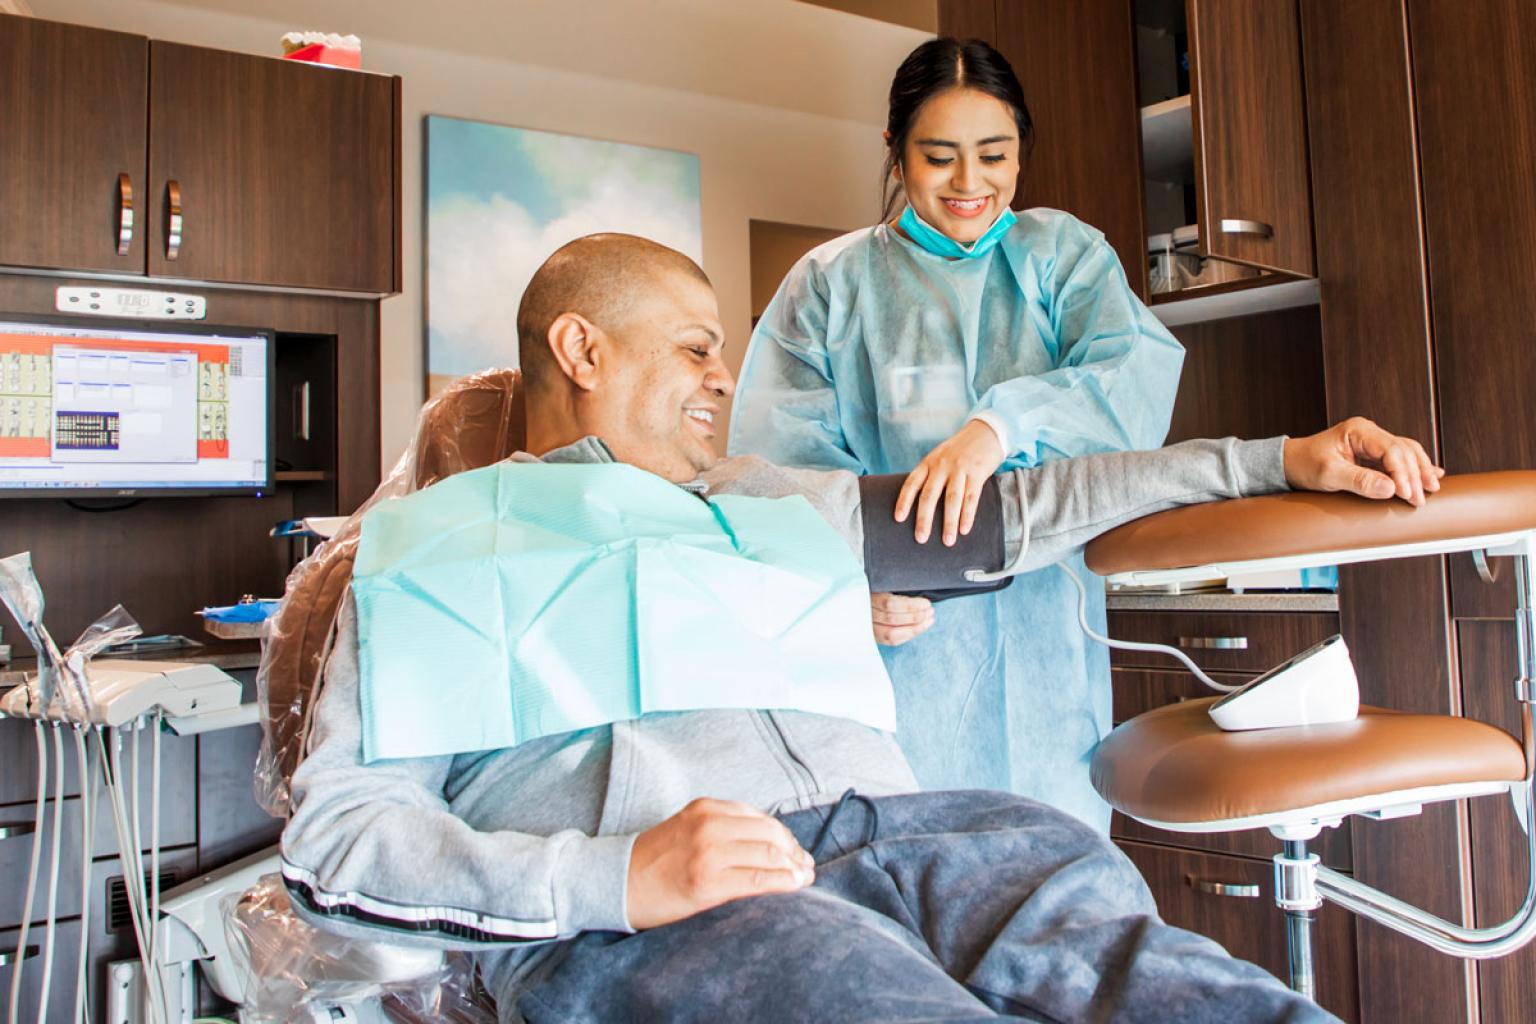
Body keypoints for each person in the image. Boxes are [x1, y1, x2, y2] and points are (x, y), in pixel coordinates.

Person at [280, 234, 1440, 1023]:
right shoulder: (428, 549)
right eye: (694, 348)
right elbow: (340, 840)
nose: (724, 379)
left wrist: (1273, 458)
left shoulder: (764, 501)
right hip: (680, 912)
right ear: (583, 351)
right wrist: (609, 876)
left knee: (1173, 982)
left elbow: (1017, 514)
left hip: (941, 838)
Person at [728, 38, 1186, 828]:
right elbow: (780, 475)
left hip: (1051, 636)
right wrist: (847, 592)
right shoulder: (830, 286)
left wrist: (1001, 426)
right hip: (901, 653)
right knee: (913, 879)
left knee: (1056, 872)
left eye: (994, 155)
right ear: (895, 156)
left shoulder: (1065, 258)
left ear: (1020, 154)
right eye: (939, 157)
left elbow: (1132, 382)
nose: (970, 184)